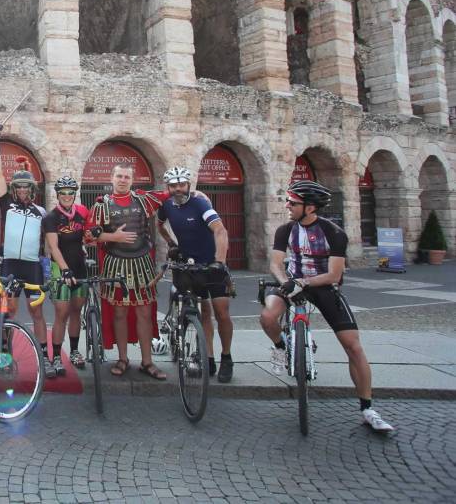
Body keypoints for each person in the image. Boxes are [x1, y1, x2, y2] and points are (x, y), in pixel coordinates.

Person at [261, 180, 394, 432]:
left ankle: (368, 408)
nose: (287, 205)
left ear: (310, 207)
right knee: (268, 317)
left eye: (293, 202)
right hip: (292, 283)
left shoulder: (333, 232)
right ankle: (282, 346)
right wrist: (286, 281)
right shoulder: (285, 230)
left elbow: (334, 275)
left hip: (322, 286)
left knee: (353, 347)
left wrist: (303, 282)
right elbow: (276, 264)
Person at [86, 164, 170, 380]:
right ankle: (122, 359)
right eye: (119, 176)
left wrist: (195, 193)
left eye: (126, 177)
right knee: (119, 313)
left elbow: (171, 193)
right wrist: (113, 237)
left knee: (144, 313)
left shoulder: (144, 200)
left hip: (142, 264)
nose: (122, 180)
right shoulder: (101, 205)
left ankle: (147, 362)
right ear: (112, 178)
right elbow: (88, 236)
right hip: (115, 264)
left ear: (132, 180)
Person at [156, 166, 234, 382]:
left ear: (188, 185)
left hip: (212, 264)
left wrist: (220, 261)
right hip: (190, 265)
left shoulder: (200, 203)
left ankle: (226, 357)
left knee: (222, 312)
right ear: (168, 187)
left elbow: (220, 230)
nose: (178, 189)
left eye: (182, 184)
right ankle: (209, 358)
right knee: (205, 312)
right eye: (173, 185)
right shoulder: (166, 205)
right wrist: (171, 243)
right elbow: (159, 225)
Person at [0, 129, 54, 379]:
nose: (23, 190)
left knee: (37, 313)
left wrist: (49, 267)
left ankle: (44, 357)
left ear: (33, 189)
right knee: (9, 312)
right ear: (14, 189)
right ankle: (3, 356)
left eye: (27, 187)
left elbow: (48, 243)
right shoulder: (7, 204)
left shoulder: (41, 211)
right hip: (11, 265)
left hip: (32, 266)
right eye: (19, 187)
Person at [42, 175, 90, 377]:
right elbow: (53, 247)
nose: (67, 196)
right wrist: (64, 269)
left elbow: (86, 236)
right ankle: (56, 357)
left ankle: (74, 350)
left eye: (71, 192)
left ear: (75, 194)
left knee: (76, 311)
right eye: (63, 193)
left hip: (80, 267)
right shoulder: (51, 218)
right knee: (61, 314)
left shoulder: (81, 213)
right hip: (60, 269)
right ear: (57, 194)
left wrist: (89, 241)